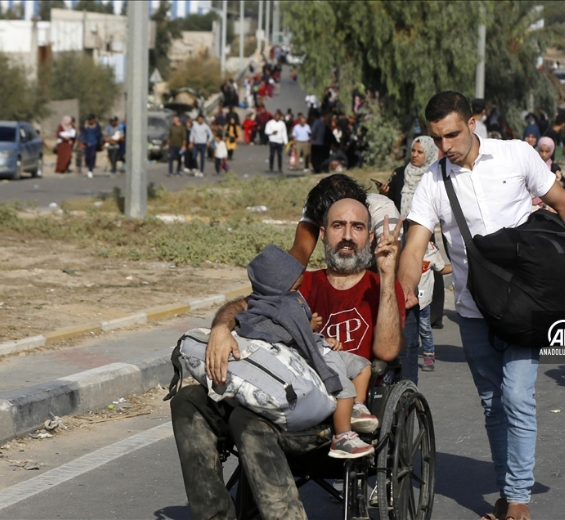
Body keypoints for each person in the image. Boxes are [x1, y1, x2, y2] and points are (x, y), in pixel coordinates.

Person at [399, 91, 565, 520]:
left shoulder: (516, 155)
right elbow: (413, 246)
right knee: (492, 403)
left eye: (453, 134)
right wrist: (405, 288)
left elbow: (564, 203)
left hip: (527, 303)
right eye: (438, 138)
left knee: (517, 396)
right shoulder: (433, 183)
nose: (446, 147)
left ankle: (517, 501)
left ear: (473, 122)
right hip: (475, 309)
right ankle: (507, 490)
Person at [172, 196, 403, 520]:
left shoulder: (380, 286)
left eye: (358, 227)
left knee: (247, 420)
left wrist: (389, 276)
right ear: (323, 234)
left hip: (327, 407)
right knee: (188, 401)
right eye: (339, 226)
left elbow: (388, 352)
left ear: (370, 236)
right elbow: (245, 304)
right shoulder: (298, 283)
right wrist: (222, 329)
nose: (348, 235)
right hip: (270, 385)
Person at [236, 245, 378, 459]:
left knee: (361, 365)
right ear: (277, 285)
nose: (298, 292)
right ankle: (342, 436)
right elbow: (273, 332)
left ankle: (356, 408)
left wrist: (315, 332)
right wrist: (305, 330)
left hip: (319, 346)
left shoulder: (289, 300)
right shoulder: (280, 306)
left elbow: (303, 333)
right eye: (294, 288)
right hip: (309, 356)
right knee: (343, 387)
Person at [417, 240, 451, 372]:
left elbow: (441, 269)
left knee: (425, 330)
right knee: (407, 332)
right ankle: (406, 357)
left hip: (423, 301)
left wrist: (460, 265)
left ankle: (429, 356)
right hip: (405, 300)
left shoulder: (430, 249)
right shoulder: (402, 247)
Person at [80, 114, 102, 178]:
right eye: (90, 120)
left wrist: (101, 143)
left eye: (93, 120)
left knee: (92, 156)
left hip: (94, 143)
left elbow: (99, 135)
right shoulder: (85, 126)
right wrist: (81, 141)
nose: (91, 121)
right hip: (87, 143)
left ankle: (90, 170)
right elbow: (82, 134)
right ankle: (89, 166)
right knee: (87, 157)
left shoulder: (97, 126)